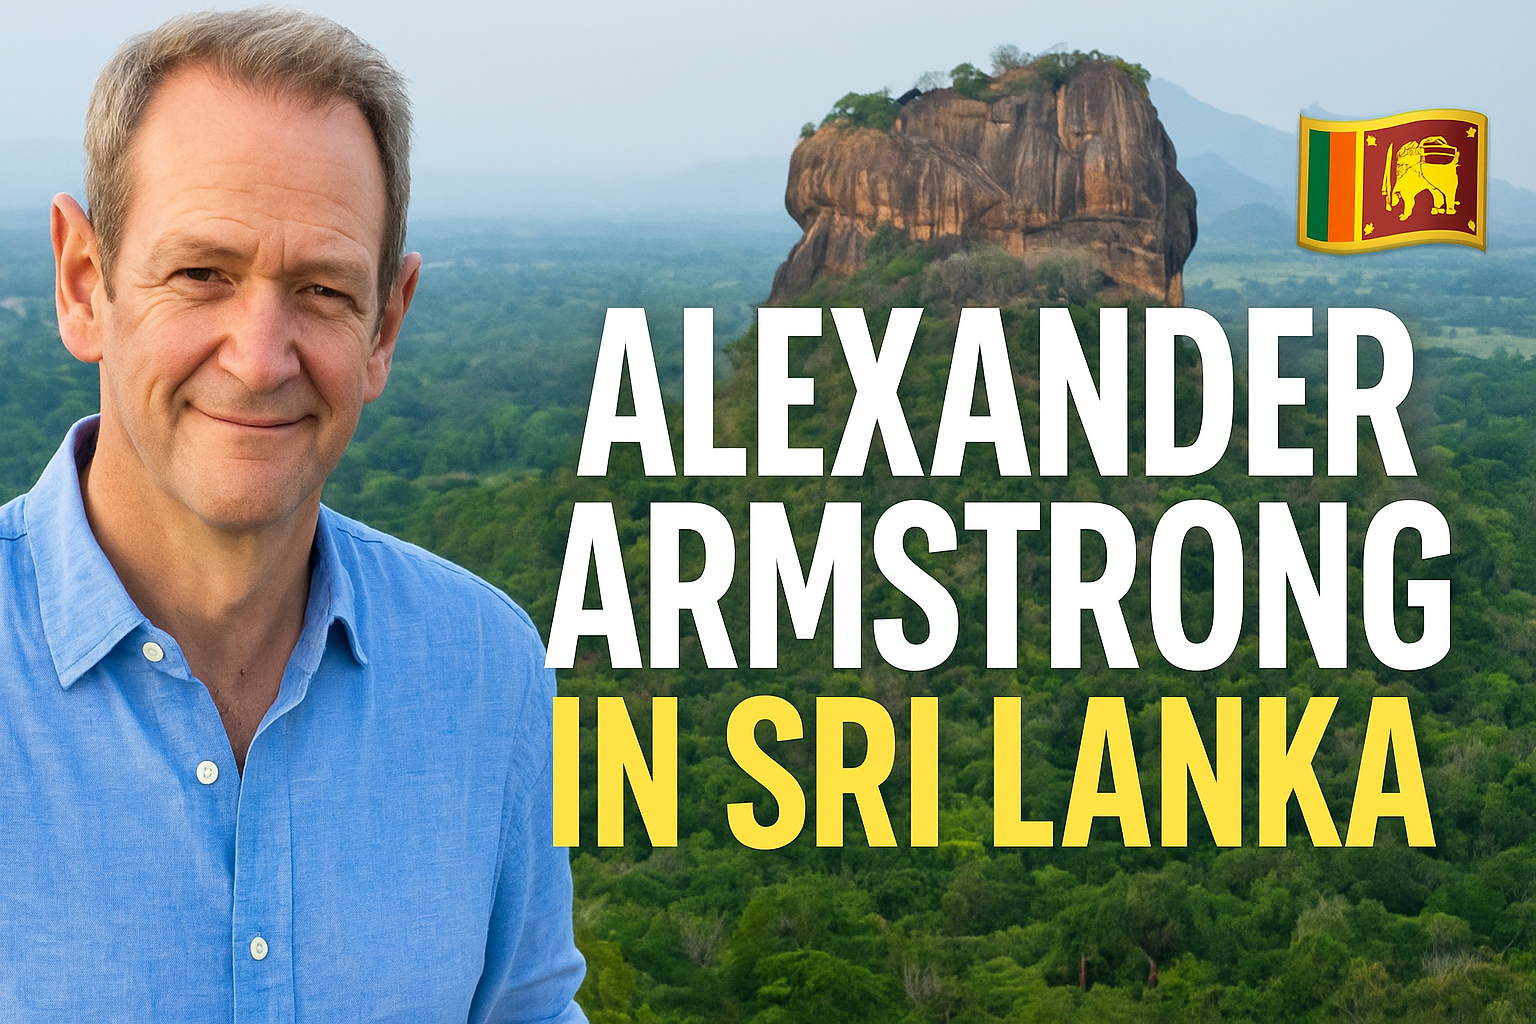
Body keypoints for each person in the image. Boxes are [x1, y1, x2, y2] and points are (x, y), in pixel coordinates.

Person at [0, 8, 586, 1020]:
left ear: (384, 326)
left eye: (321, 290)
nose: (261, 357)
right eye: (202, 274)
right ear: (84, 283)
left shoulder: (484, 668)